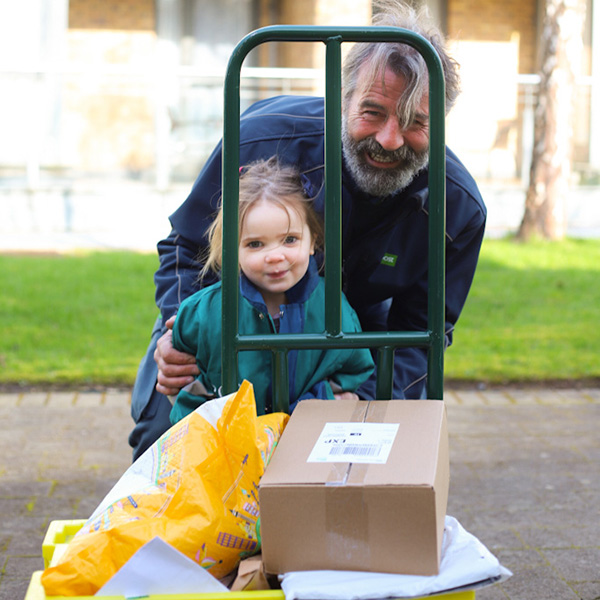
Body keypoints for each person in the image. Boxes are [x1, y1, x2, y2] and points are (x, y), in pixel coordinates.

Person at [128, 0, 487, 460]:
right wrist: (180, 333)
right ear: (343, 99)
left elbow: (421, 333)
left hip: (351, 335)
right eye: (373, 112)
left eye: (416, 121)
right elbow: (186, 246)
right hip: (228, 314)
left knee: (347, 459)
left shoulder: (455, 212)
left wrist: (367, 400)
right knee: (166, 444)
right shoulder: (261, 141)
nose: (390, 139)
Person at [169, 157, 374, 424]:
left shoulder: (333, 307)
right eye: (255, 244)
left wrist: (322, 403)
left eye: (290, 240)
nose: (275, 256)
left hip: (303, 442)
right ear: (232, 249)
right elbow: (187, 386)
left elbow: (354, 370)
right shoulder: (202, 313)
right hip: (228, 451)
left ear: (313, 240)